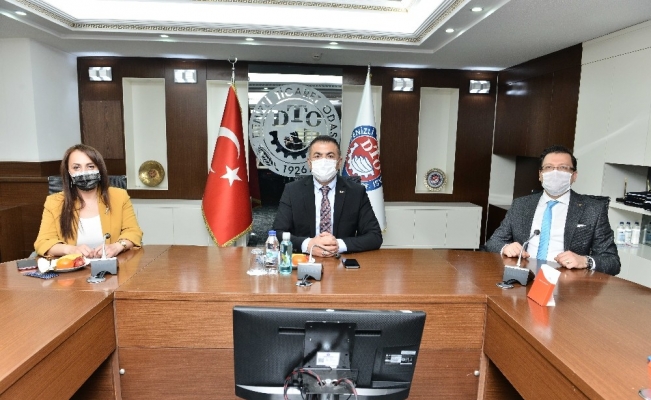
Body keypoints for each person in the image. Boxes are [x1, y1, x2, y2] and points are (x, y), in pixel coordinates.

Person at [485, 145, 620, 276]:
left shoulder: (593, 209)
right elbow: (493, 242)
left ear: (574, 175)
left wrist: (585, 261)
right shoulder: (521, 205)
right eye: (548, 167)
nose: (555, 173)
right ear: (540, 174)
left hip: (566, 281)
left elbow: (612, 261)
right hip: (523, 276)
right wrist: (506, 248)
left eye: (563, 167)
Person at [272, 135, 382, 256]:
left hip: (341, 260)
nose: (323, 161)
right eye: (317, 156)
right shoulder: (292, 191)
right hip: (305, 260)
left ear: (339, 162)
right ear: (309, 162)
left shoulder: (356, 192)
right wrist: (308, 245)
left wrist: (338, 245)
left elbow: (374, 236)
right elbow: (277, 233)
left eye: (330, 156)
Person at [34, 144, 143, 258]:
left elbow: (133, 232)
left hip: (113, 265)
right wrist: (70, 250)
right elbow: (43, 242)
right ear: (68, 172)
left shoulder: (119, 196)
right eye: (76, 167)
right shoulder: (54, 202)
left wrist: (117, 246)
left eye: (90, 166)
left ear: (99, 169)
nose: (84, 172)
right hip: (73, 266)